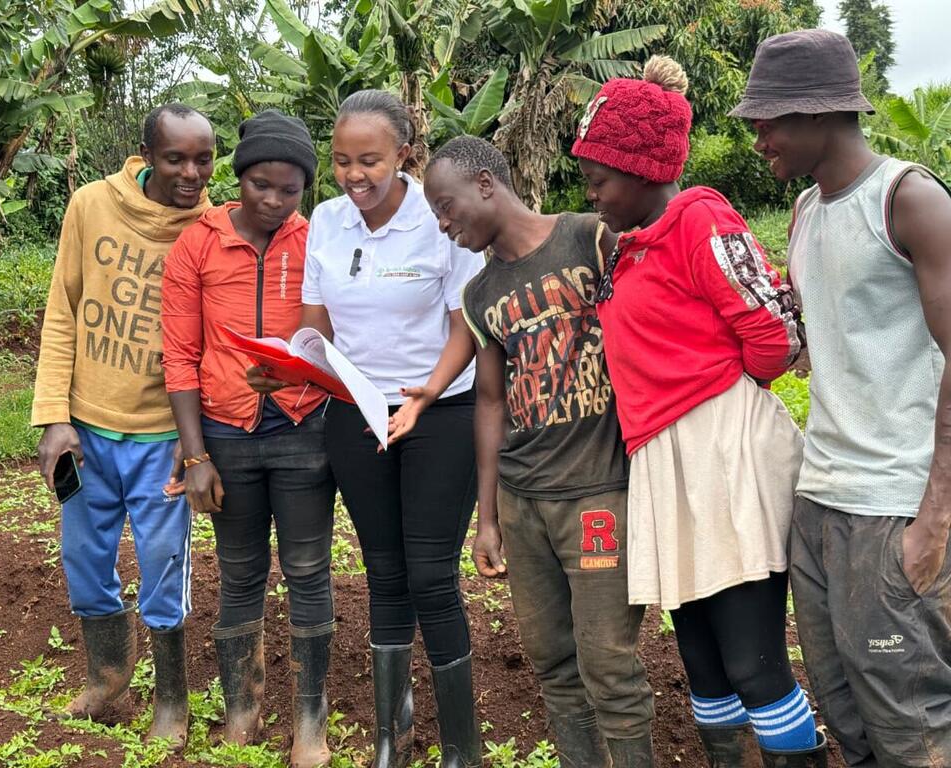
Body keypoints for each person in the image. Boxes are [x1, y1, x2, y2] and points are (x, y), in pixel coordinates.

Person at [571, 57, 827, 767]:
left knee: (753, 662)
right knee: (703, 663)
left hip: (722, 456)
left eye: (600, 178)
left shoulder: (699, 218)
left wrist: (719, 397)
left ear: (646, 169)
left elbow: (771, 336)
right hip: (665, 461)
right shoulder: (628, 247)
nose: (591, 194)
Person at [732, 29, 951, 768]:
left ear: (818, 114)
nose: (759, 139)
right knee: (842, 704)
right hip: (820, 502)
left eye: (767, 122)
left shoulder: (909, 200)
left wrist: (937, 517)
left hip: (893, 505)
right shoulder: (803, 212)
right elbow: (819, 345)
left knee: (910, 715)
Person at [422, 136, 656, 767]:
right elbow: (491, 402)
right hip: (525, 503)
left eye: (447, 207)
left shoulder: (590, 239)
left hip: (600, 492)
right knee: (553, 662)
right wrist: (490, 518)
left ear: (486, 184)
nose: (445, 226)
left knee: (609, 664)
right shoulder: (480, 294)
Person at [296, 89, 485, 768]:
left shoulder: (441, 220)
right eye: (342, 160)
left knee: (431, 575)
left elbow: (466, 324)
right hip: (356, 415)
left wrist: (427, 396)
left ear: (404, 152)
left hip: (440, 414)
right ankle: (391, 739)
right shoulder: (325, 220)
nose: (354, 175)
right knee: (383, 572)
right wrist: (290, 360)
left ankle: (463, 749)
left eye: (369, 161)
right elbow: (317, 323)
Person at [31, 104, 215, 749]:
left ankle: (172, 698)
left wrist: (196, 447)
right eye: (175, 159)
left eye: (203, 159)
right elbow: (63, 311)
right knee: (84, 557)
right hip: (87, 429)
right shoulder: (89, 206)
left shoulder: (210, 230)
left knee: (165, 565)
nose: (190, 173)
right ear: (146, 156)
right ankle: (108, 680)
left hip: (162, 437)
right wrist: (54, 416)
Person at [161, 110, 336, 765]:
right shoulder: (198, 245)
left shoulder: (314, 242)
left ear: (304, 191)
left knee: (310, 571)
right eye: (261, 184)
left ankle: (310, 726)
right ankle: (242, 712)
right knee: (238, 576)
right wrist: (196, 455)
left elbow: (335, 336)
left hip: (302, 431)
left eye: (289, 190)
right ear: (239, 178)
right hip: (225, 437)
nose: (273, 200)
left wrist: (298, 369)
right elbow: (178, 353)